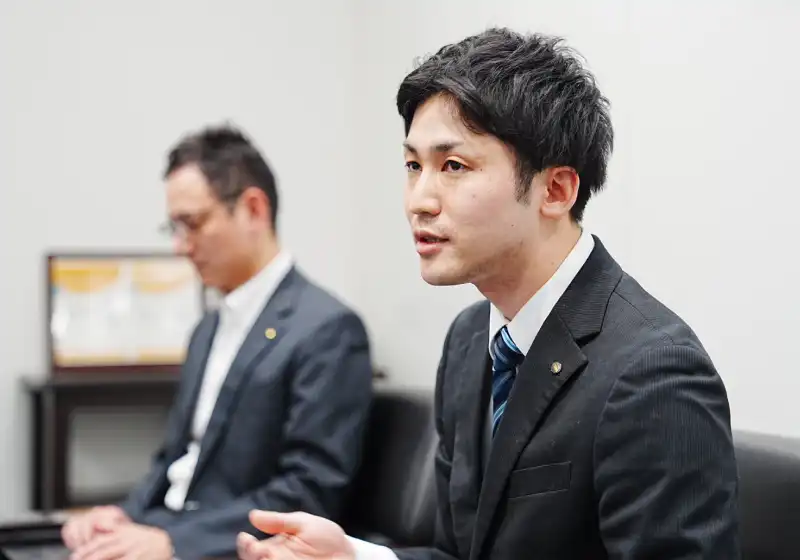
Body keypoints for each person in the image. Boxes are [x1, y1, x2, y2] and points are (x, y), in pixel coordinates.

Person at [237, 28, 740, 560]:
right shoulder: (470, 338)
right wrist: (357, 557)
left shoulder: (654, 372)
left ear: (555, 190)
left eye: (453, 166)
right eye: (413, 166)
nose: (419, 200)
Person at [61, 124, 374, 560]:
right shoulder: (207, 328)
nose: (180, 246)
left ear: (253, 209)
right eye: (174, 227)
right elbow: (174, 459)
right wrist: (122, 516)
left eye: (192, 224)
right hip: (167, 527)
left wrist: (174, 543)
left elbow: (309, 490)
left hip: (225, 546)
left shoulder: (328, 329)